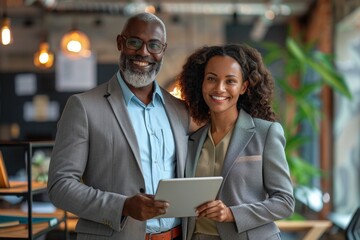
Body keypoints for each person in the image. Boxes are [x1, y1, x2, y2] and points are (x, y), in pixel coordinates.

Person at [47, 12, 194, 240]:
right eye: (135, 42)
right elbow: (60, 186)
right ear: (120, 43)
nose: (143, 52)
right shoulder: (84, 107)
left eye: (153, 45)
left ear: (163, 50)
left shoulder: (180, 109)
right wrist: (123, 206)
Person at [177, 44, 295, 240]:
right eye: (211, 79)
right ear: (201, 83)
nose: (219, 88)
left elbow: (285, 202)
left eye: (230, 81)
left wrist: (232, 214)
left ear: (243, 87)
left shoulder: (266, 133)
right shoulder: (192, 139)